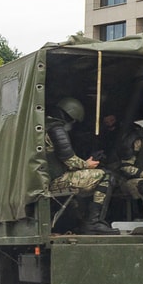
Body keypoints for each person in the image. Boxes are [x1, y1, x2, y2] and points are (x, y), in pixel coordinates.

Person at [47, 97, 116, 235]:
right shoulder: (57, 129)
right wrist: (87, 164)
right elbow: (69, 159)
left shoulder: (47, 125)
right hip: (56, 181)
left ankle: (82, 222)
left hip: (49, 179)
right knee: (107, 175)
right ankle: (93, 223)